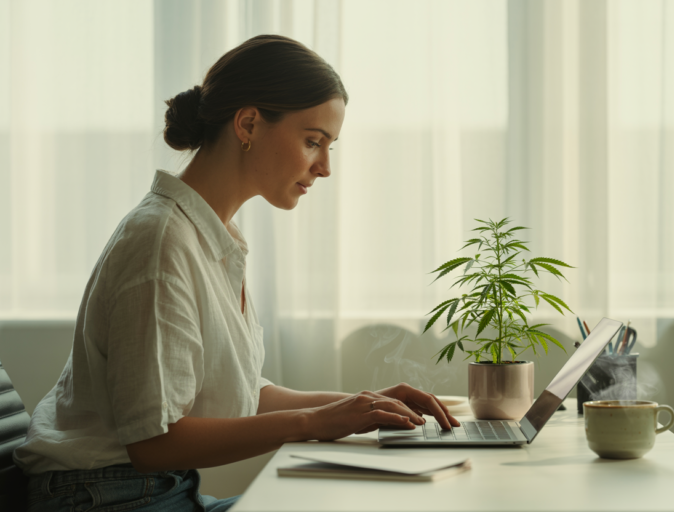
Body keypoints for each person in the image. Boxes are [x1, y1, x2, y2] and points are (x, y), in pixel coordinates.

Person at [13, 34, 459, 512]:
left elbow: (242, 391)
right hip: (105, 499)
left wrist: (361, 405)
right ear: (248, 123)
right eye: (314, 141)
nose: (325, 167)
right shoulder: (161, 243)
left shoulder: (209, 235)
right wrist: (315, 422)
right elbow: (153, 444)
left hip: (153, 492)